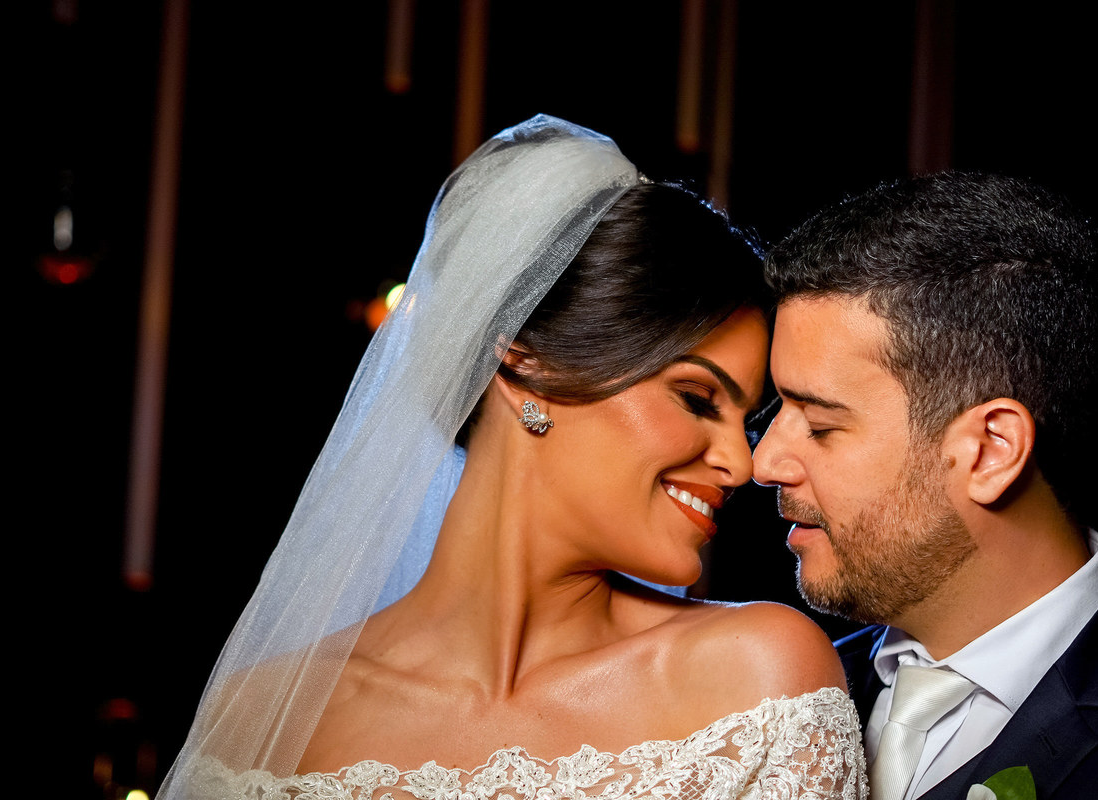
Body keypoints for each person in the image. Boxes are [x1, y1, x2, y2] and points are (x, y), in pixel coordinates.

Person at [157, 115, 866, 800]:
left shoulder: (758, 685)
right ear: (525, 363)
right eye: (696, 398)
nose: (742, 465)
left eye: (746, 420)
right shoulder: (265, 721)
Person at [751, 171, 1098, 800]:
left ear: (990, 451)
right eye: (776, 411)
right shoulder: (772, 701)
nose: (764, 462)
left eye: (821, 425)